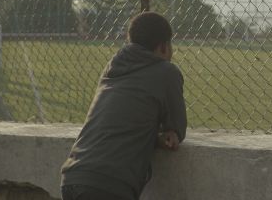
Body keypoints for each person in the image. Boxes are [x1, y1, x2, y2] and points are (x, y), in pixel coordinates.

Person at [61, 12, 187, 200]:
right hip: (110, 186)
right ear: (163, 46)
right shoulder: (166, 72)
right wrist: (167, 134)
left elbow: (123, 119)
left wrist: (152, 136)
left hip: (73, 176)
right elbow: (176, 129)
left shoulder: (113, 66)